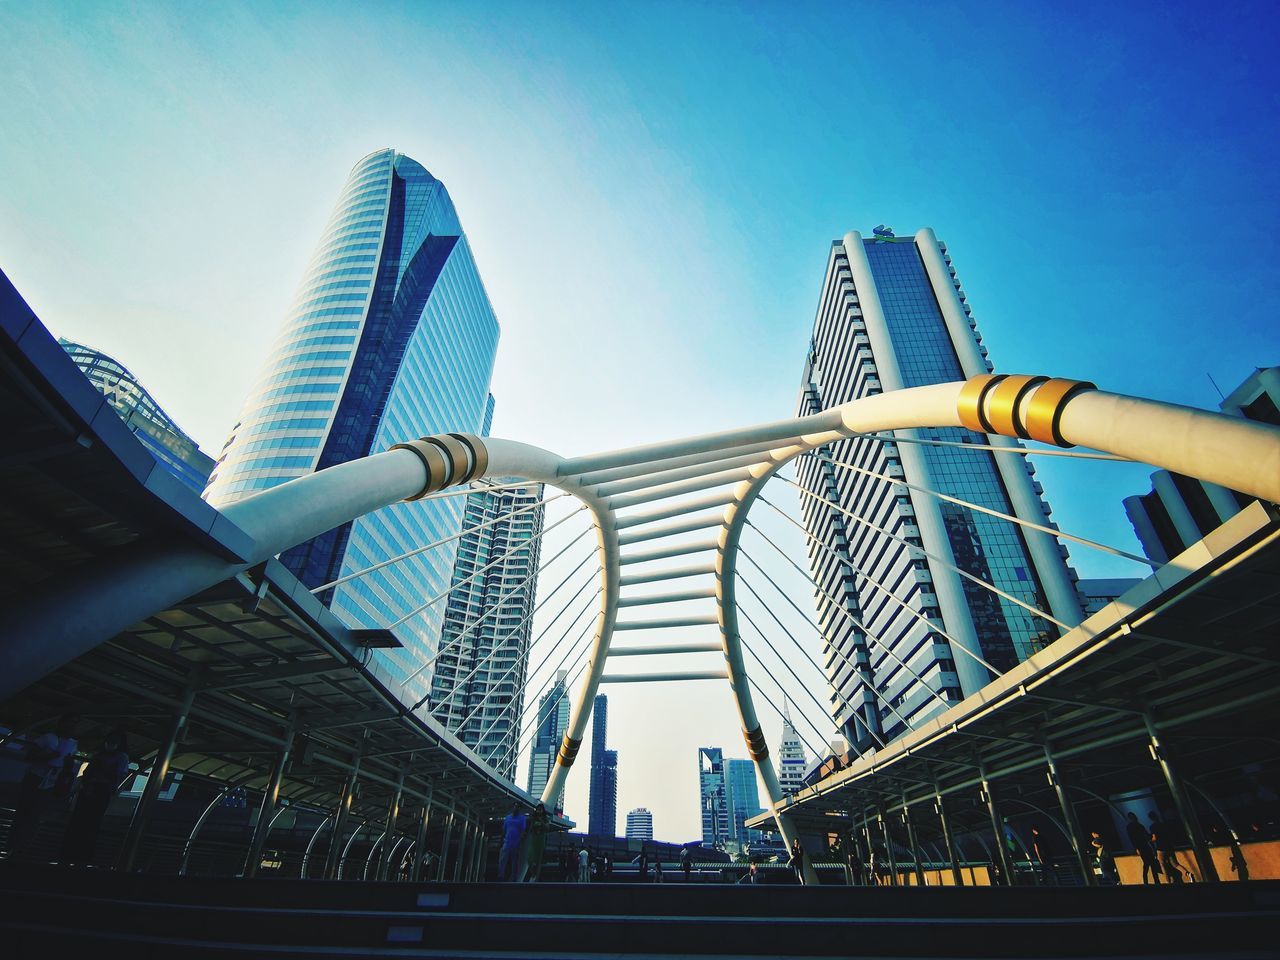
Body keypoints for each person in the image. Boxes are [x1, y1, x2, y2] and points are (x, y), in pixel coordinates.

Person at [10, 715, 79, 859]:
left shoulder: (72, 744)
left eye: (72, 725)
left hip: (51, 780)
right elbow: (29, 756)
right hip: (36, 777)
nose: (69, 728)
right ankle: (14, 846)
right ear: (60, 725)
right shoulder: (48, 738)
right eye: (68, 724)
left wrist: (67, 765)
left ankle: (22, 847)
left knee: (34, 814)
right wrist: (47, 757)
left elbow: (68, 764)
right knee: (24, 811)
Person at [60, 729, 131, 866]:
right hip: (95, 789)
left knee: (86, 822)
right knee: (87, 822)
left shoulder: (113, 757)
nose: (110, 744)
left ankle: (75, 854)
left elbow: (116, 774)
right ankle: (77, 855)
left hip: (97, 789)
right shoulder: (108, 756)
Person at [1149, 812, 1194, 883]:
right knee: (1175, 864)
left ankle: (1168, 882)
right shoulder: (1163, 824)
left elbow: (1155, 838)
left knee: (1163, 866)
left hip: (1161, 848)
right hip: (1169, 846)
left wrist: (1150, 840)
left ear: (1150, 818)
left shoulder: (1153, 827)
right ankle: (1188, 874)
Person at [1125, 812, 1161, 885]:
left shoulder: (1129, 827)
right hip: (1145, 846)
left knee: (1146, 864)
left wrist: (1136, 848)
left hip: (1141, 847)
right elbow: (1146, 835)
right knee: (1151, 863)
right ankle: (1156, 881)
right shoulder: (1139, 826)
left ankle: (1146, 882)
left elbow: (1132, 838)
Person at [519, 803, 548, 882]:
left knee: (538, 860)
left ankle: (536, 877)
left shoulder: (545, 818)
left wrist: (541, 821)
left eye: (540, 810)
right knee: (530, 859)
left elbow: (547, 827)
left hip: (540, 841)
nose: (539, 811)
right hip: (533, 840)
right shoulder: (533, 819)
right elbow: (530, 829)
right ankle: (533, 873)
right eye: (538, 810)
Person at [498, 805, 527, 881]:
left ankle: (514, 878)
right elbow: (504, 830)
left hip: (516, 843)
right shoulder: (508, 818)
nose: (516, 808)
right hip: (507, 842)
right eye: (515, 807)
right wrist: (501, 840)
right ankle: (501, 876)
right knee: (503, 859)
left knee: (515, 861)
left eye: (517, 807)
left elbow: (523, 831)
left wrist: (520, 840)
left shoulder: (522, 818)